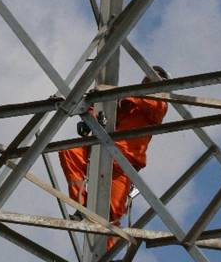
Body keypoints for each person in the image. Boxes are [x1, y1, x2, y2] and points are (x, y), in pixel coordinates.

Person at [59, 66, 170, 235]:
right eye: (149, 75)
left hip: (125, 162)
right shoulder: (128, 98)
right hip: (103, 149)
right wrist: (90, 116)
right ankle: (82, 206)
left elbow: (128, 100)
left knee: (111, 214)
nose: (150, 78)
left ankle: (108, 250)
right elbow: (105, 107)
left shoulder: (158, 105)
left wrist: (109, 96)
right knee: (70, 151)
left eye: (156, 77)